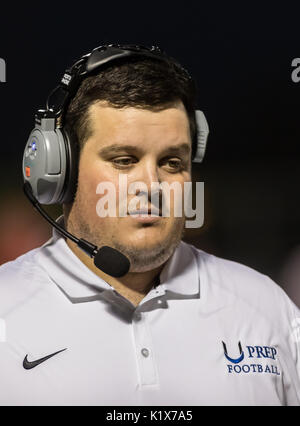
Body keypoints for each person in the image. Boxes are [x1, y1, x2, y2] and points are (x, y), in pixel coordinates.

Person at [0, 44, 299, 406]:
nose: (152, 186)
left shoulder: (267, 307)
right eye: (124, 160)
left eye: (172, 162)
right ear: (62, 169)